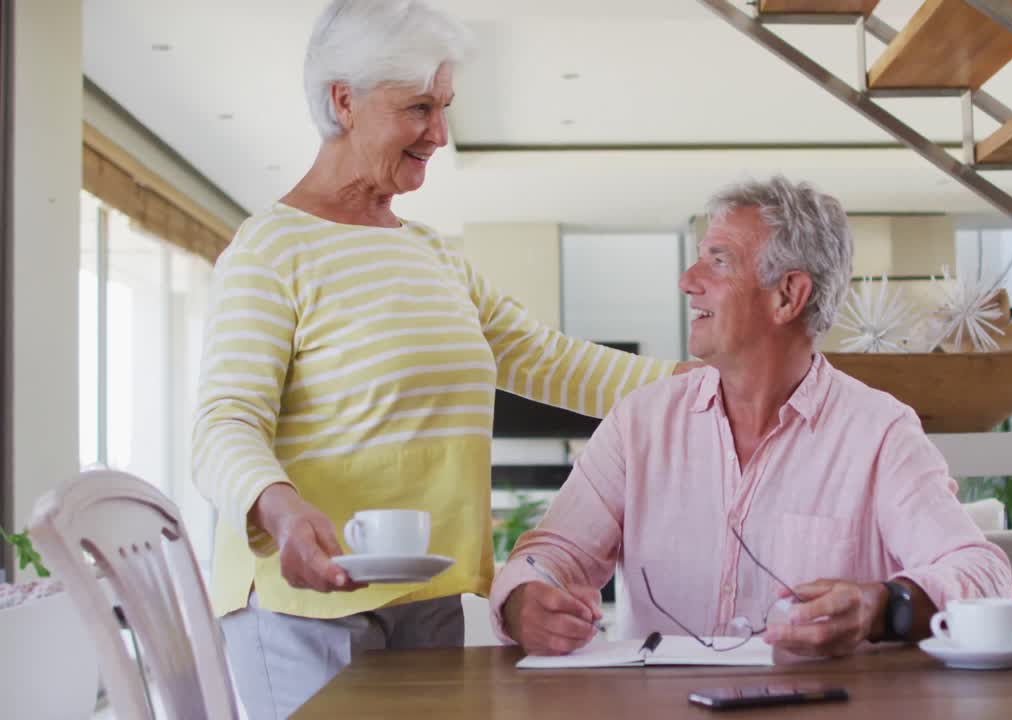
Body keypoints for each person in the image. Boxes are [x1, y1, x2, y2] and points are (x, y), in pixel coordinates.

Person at [192, 2, 691, 716]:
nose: (440, 134)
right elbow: (221, 423)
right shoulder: (271, 250)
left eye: (445, 107)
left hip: (425, 595)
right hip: (305, 607)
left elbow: (546, 359)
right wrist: (281, 511)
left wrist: (702, 386)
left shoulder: (429, 253)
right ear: (344, 101)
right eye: (419, 107)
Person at [490, 176, 1012, 658]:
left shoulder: (879, 433)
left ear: (787, 295)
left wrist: (882, 605)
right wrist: (522, 602)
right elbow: (554, 553)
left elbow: (981, 573)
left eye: (718, 261)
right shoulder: (639, 424)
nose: (687, 280)